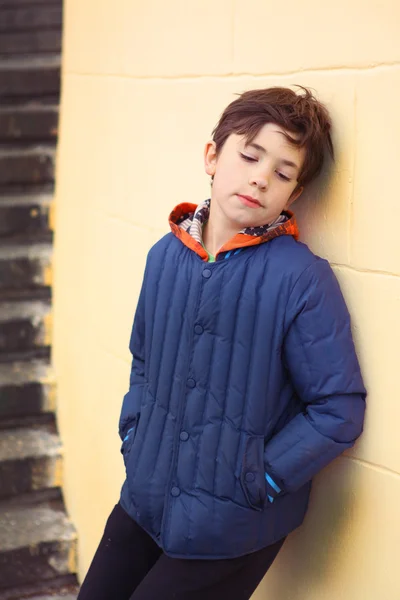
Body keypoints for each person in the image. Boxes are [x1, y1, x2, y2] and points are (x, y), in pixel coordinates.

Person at [78, 86, 366, 600]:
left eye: (282, 172)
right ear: (213, 157)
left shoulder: (301, 279)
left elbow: (338, 407)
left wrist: (263, 480)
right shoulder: (163, 257)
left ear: (294, 194)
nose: (261, 176)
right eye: (250, 155)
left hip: (231, 526)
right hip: (143, 498)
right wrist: (134, 433)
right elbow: (144, 359)